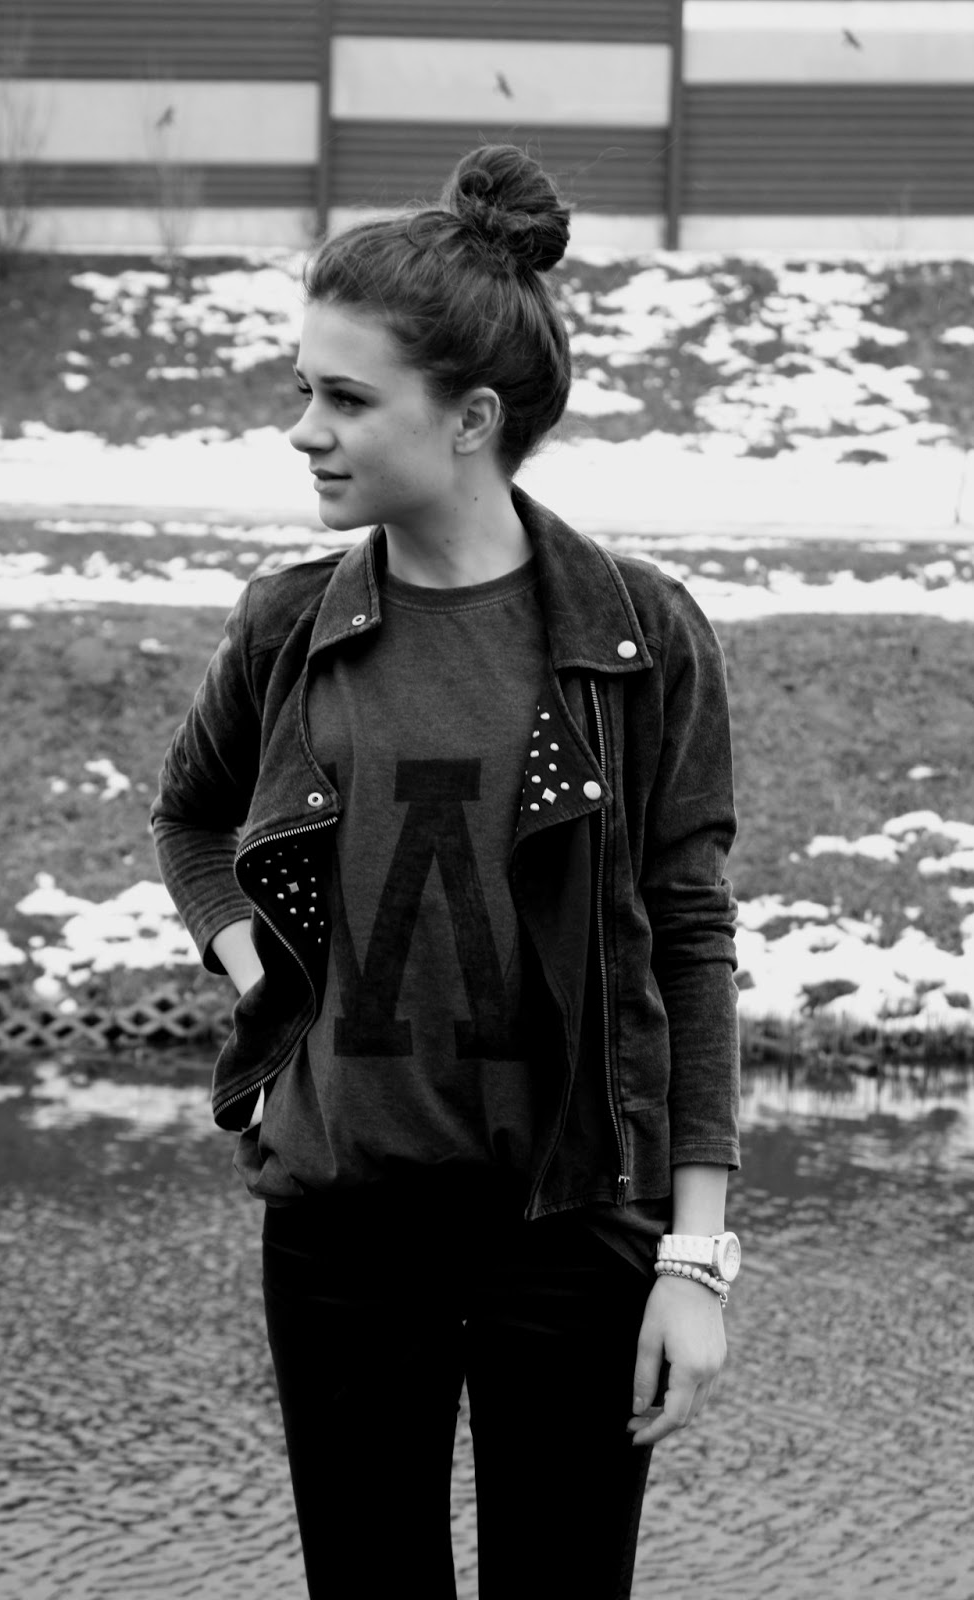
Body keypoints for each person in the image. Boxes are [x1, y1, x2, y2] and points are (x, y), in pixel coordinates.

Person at [150, 144, 741, 1600]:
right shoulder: (286, 625)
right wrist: (259, 964)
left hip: (572, 1229)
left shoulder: (636, 635)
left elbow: (687, 939)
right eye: (302, 388)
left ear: (471, 418)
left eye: (346, 399)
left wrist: (694, 1258)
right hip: (342, 1231)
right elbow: (192, 821)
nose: (303, 430)